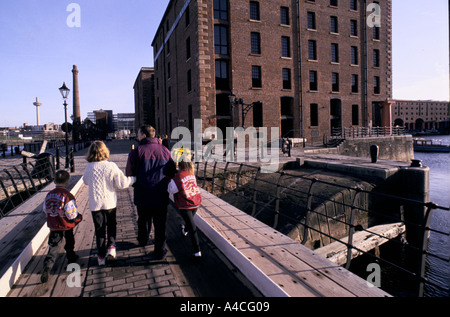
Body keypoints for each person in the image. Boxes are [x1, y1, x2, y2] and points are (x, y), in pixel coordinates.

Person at [126, 125, 174, 260]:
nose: (137, 136)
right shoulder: (165, 150)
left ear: (144, 136)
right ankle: (160, 251)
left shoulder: (136, 152)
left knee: (143, 219)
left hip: (143, 193)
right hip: (160, 193)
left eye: (138, 134)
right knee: (160, 224)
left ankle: (143, 239)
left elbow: (129, 172)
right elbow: (171, 171)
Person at [83, 140, 133, 265]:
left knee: (99, 229)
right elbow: (122, 184)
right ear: (105, 151)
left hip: (95, 204)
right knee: (111, 225)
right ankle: (111, 248)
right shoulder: (111, 166)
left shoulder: (89, 167)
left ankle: (100, 257)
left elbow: (85, 181)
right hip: (109, 202)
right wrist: (134, 178)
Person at [41, 170, 82, 283]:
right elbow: (71, 213)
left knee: (53, 245)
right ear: (67, 181)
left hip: (54, 225)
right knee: (69, 242)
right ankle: (71, 258)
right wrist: (78, 217)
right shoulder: (67, 196)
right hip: (65, 225)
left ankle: (47, 266)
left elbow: (45, 210)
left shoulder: (49, 194)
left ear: (54, 181)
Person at [168, 156, 202, 258]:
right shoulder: (191, 174)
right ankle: (184, 231)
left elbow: (171, 190)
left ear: (179, 165)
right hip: (195, 201)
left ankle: (197, 252)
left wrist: (170, 179)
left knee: (192, 227)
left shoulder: (178, 176)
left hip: (185, 204)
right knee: (190, 222)